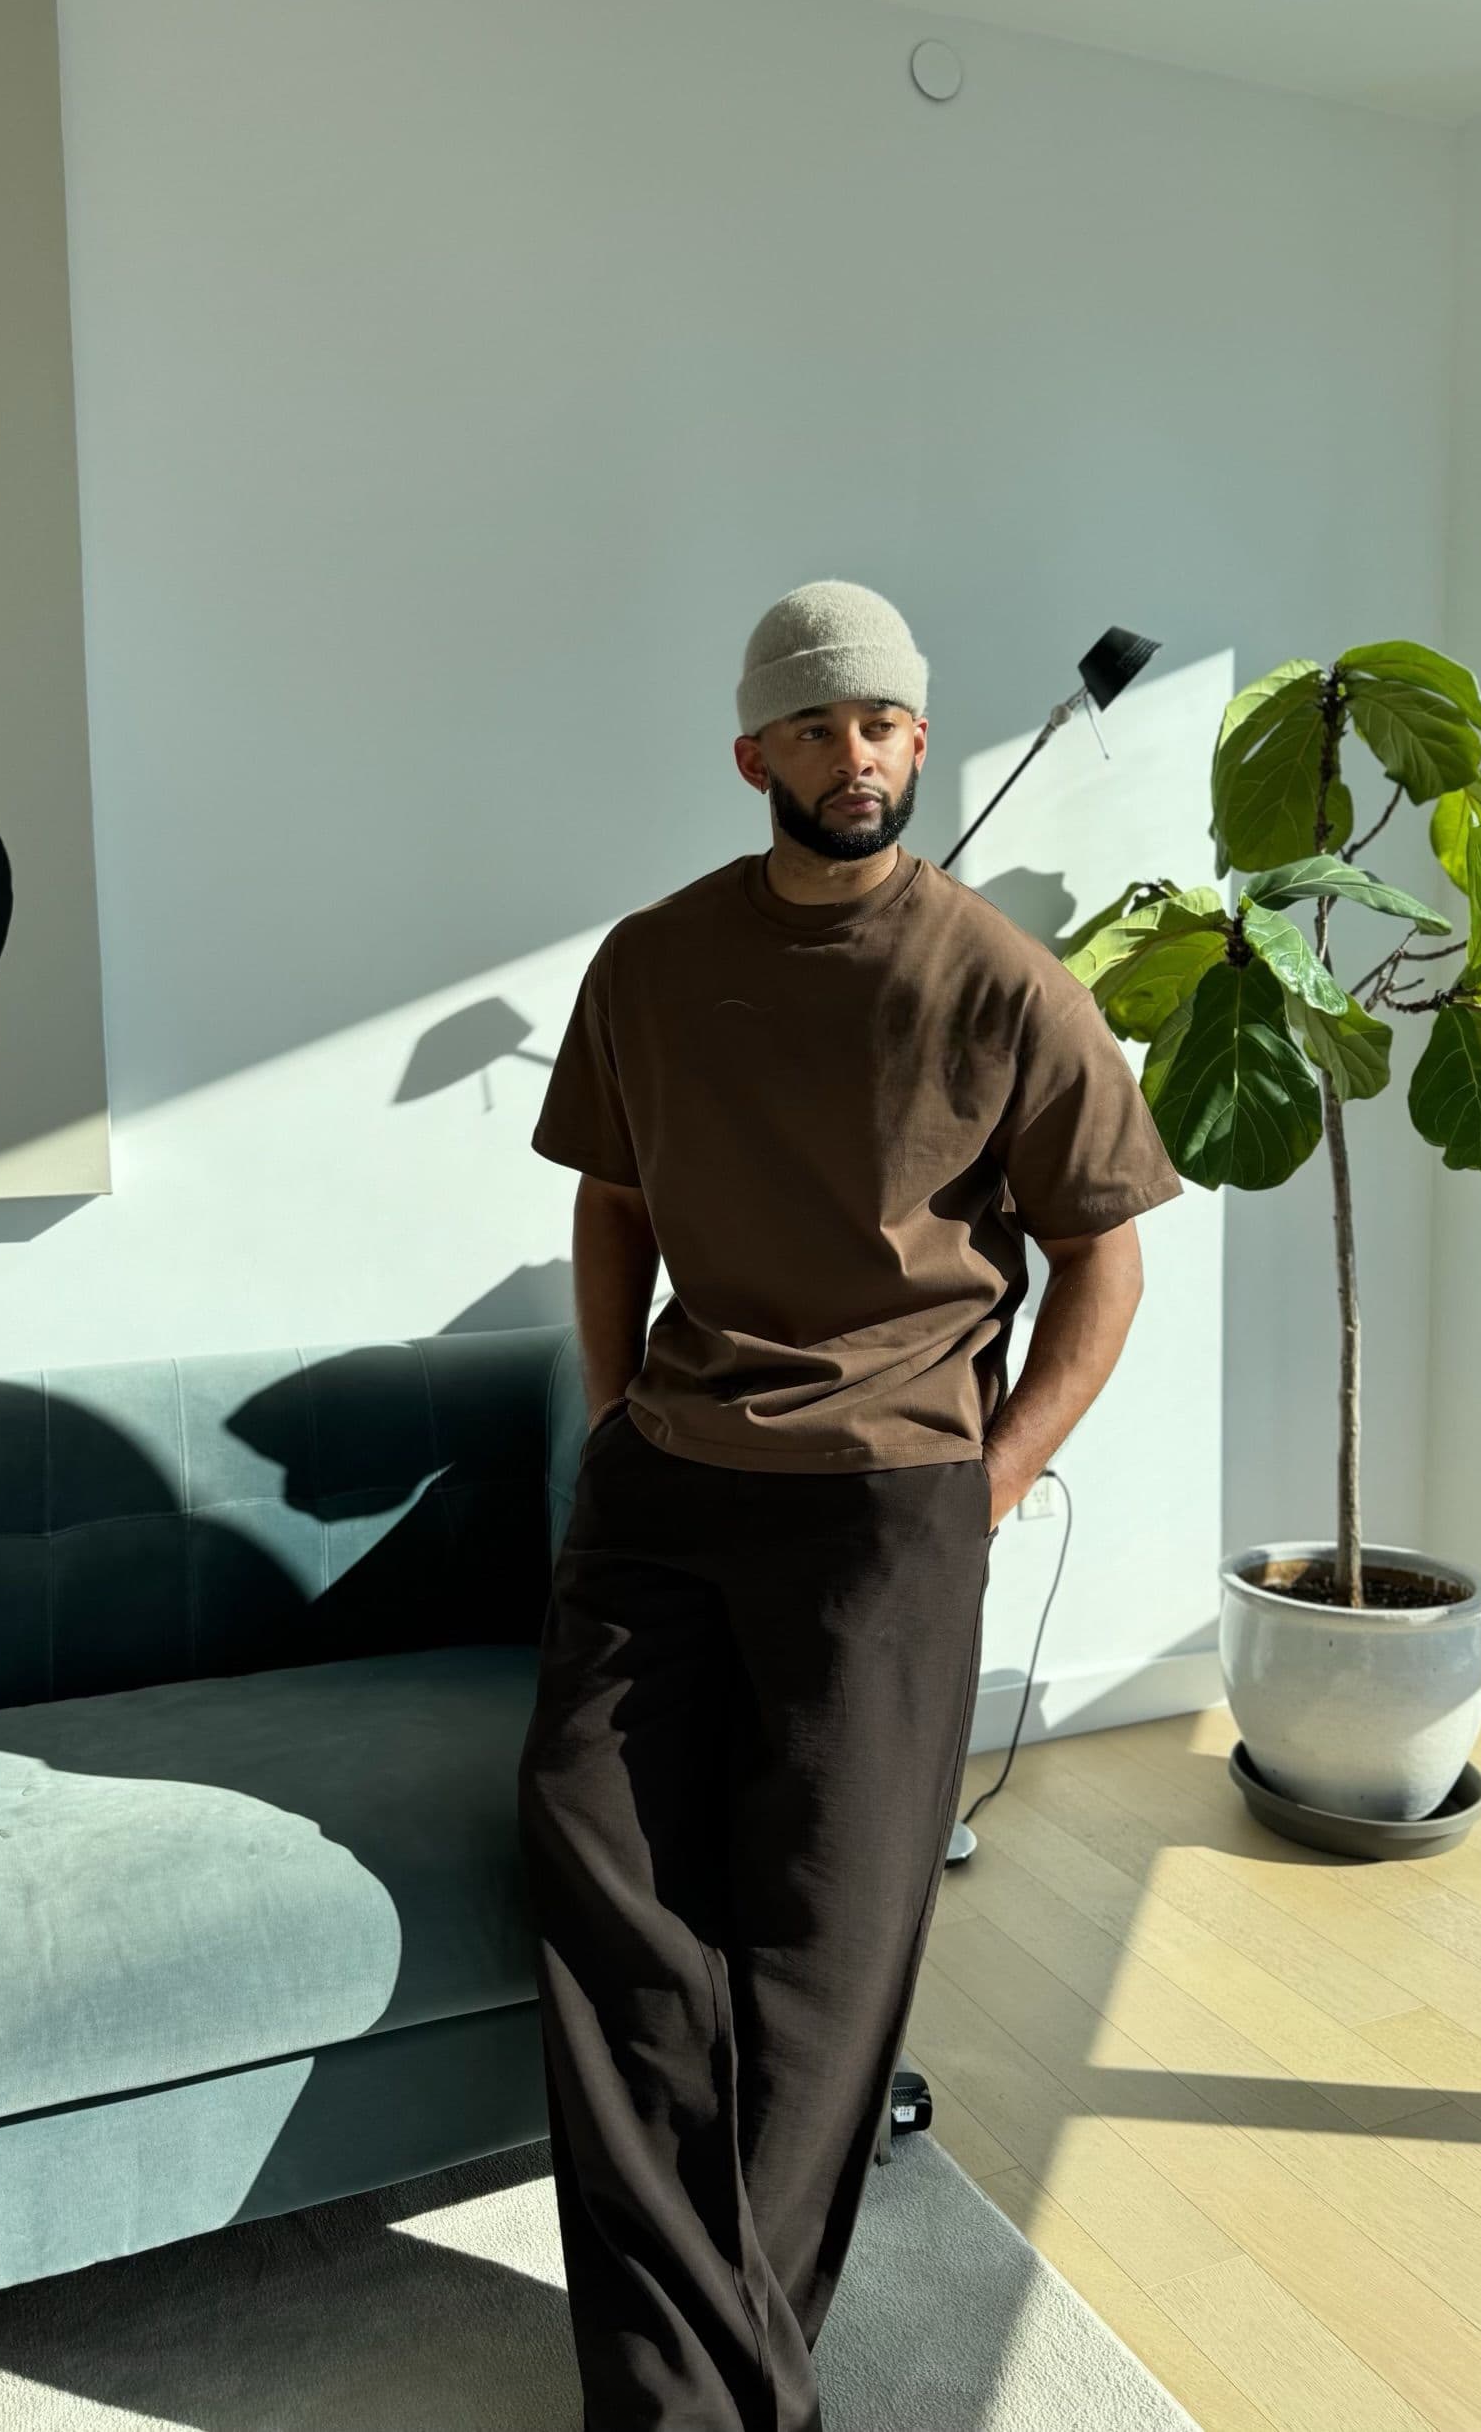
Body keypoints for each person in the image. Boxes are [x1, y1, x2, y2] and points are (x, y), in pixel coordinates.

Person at [517, 579, 1183, 2431]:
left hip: (888, 1507)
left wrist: (1000, 1475)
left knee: (821, 1952)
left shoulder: (999, 978)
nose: (858, 752)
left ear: (917, 739)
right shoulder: (651, 961)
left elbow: (1100, 1261)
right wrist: (608, 1414)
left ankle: (682, 2408)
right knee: (598, 1874)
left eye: (884, 722)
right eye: (817, 725)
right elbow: (612, 1206)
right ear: (755, 755)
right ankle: (728, 2391)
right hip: (669, 1483)